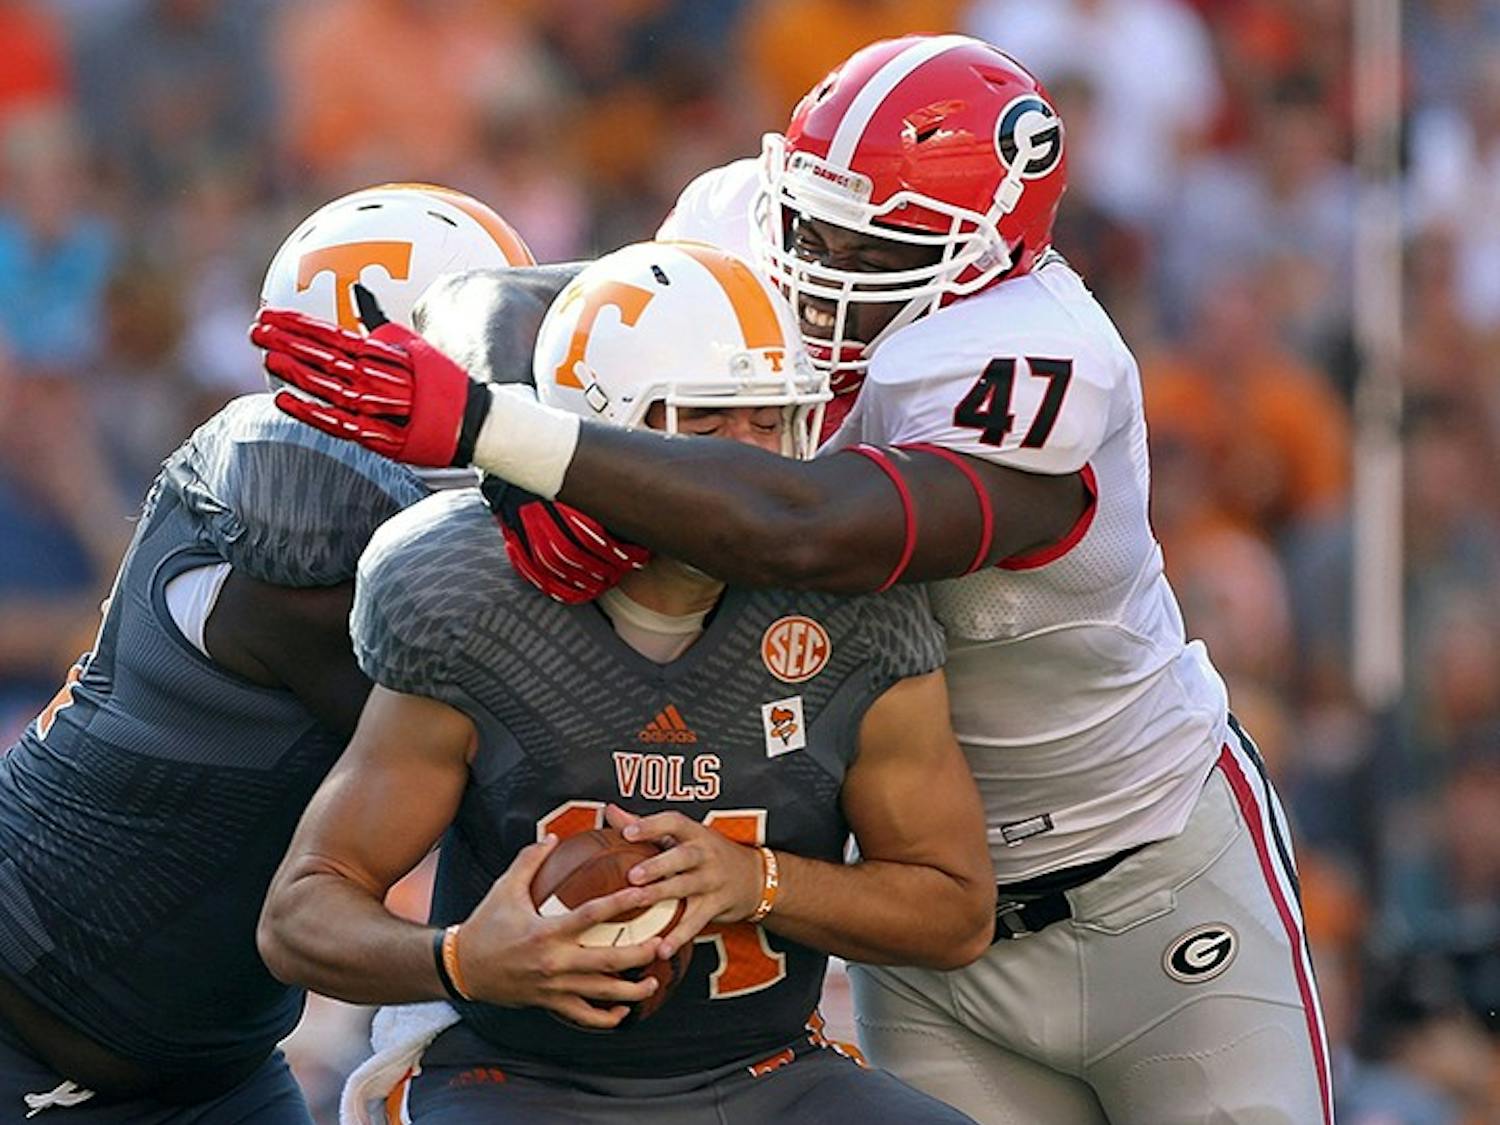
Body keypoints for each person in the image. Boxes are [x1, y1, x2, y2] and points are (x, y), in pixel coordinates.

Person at [253, 34, 1335, 1125]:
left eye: (860, 244)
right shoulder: (750, 226)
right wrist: (517, 466)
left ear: (978, 255)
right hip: (907, 913)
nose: (808, 264)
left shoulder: (1038, 360)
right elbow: (516, 303)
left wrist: (503, 432)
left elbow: (807, 530)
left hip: (1149, 871)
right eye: (805, 222)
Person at [255, 240, 994, 1125]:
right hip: (514, 1075)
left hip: (768, 1071)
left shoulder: (852, 606)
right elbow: (300, 912)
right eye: (709, 424)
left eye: (771, 421)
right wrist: (461, 959)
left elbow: (955, 911)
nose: (751, 464)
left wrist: (757, 879)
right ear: (592, 436)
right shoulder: (470, 596)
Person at [0, 183, 535, 1122]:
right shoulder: (294, 561)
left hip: (216, 1064)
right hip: (26, 1023)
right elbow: (520, 734)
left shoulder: (322, 503)